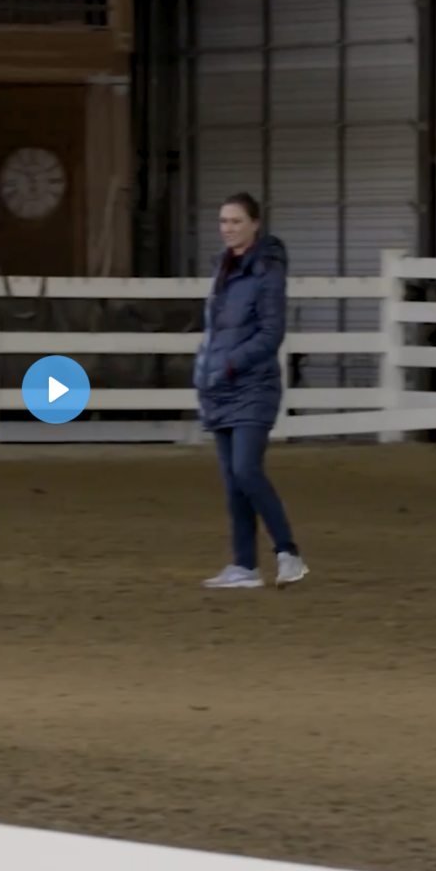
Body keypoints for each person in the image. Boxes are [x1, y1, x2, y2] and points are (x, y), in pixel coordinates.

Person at [192, 192, 308, 590]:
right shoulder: (222, 271)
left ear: (255, 224)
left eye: (236, 222)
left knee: (246, 469)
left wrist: (229, 363)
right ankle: (244, 565)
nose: (228, 229)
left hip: (253, 385)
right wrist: (206, 370)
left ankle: (288, 553)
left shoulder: (266, 272)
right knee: (232, 480)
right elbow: (214, 331)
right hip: (219, 388)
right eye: (224, 222)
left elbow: (271, 333)